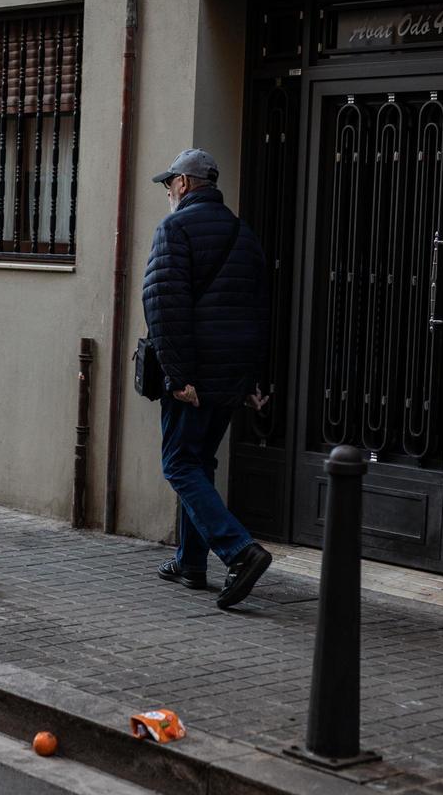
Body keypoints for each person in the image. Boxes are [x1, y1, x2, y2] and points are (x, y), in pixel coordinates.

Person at [142, 148, 273, 609]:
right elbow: (260, 312)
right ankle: (190, 562)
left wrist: (178, 375)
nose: (168, 192)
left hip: (193, 377)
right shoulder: (244, 233)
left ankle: (239, 551)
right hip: (231, 379)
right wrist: (254, 381)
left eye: (169, 184)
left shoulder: (174, 229)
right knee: (201, 464)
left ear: (183, 184)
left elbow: (163, 307)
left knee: (179, 464)